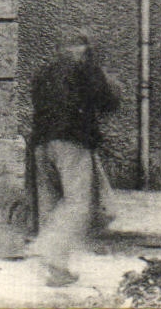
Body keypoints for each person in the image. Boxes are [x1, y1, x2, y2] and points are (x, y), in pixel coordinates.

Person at [29, 30, 121, 287]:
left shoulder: (43, 72)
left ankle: (57, 270)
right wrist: (109, 81)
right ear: (84, 49)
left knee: (51, 205)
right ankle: (49, 248)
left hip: (41, 144)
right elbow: (108, 103)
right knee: (79, 203)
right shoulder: (86, 70)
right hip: (72, 142)